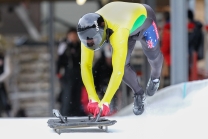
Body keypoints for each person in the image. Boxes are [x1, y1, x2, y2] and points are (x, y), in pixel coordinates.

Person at [77, 1, 164, 117]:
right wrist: (92, 97)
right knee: (123, 65)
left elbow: (117, 71)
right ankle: (139, 93)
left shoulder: (118, 33)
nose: (91, 45)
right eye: (88, 43)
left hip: (144, 21)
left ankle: (155, 78)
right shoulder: (88, 34)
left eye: (95, 41)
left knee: (153, 56)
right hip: (125, 25)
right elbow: (85, 66)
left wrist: (106, 101)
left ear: (102, 33)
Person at [56, 27, 86, 116]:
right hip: (68, 73)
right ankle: (65, 113)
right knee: (67, 95)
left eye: (74, 35)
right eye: (71, 36)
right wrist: (58, 72)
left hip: (78, 73)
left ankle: (76, 113)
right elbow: (59, 60)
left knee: (77, 95)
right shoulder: (64, 46)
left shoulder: (80, 46)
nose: (73, 37)